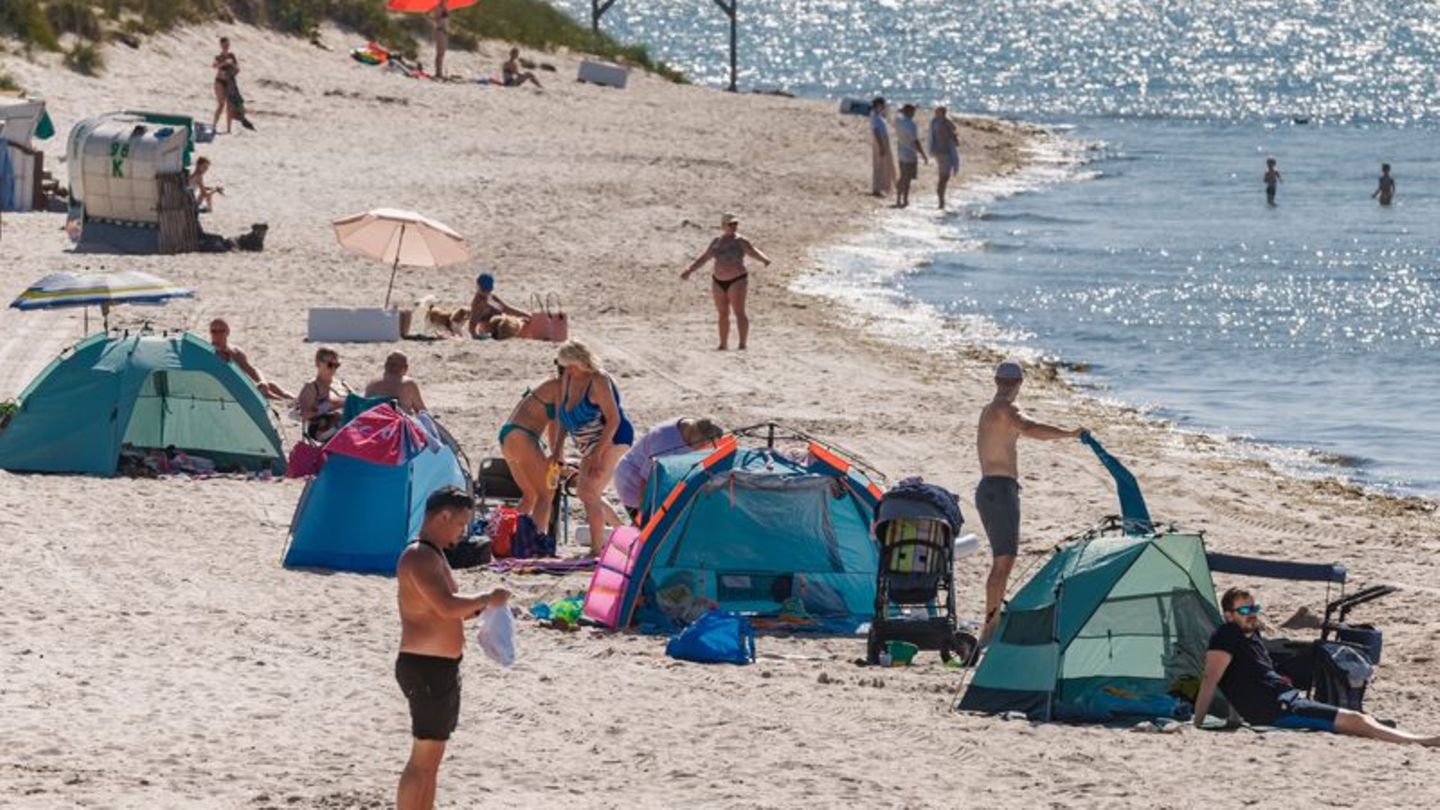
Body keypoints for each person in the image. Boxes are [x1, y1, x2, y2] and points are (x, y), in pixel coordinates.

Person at [1193, 587, 1440, 745]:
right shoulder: (1226, 635)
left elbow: (1244, 678)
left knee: (1356, 718)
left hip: (1285, 698)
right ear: (1228, 615)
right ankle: (1423, 741)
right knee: (1355, 719)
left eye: (1254, 608)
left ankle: (1383, 729)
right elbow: (1210, 678)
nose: (1252, 614)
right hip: (1277, 709)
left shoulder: (1251, 636)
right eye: (1244, 610)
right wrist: (1198, 723)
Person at [395, 486, 511, 810]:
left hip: (440, 666)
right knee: (422, 759)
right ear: (443, 516)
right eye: (460, 523)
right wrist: (487, 598)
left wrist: (479, 608)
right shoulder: (418, 556)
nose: (462, 532)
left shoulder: (433, 555)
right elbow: (445, 607)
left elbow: (447, 610)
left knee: (432, 760)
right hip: (425, 665)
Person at [976, 360, 1085, 644]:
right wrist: (1069, 434)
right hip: (999, 491)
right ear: (1019, 383)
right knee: (1003, 561)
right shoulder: (1006, 409)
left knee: (1004, 559)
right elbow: (1031, 428)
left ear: (997, 380)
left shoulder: (990, 409)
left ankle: (993, 619)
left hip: (992, 489)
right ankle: (990, 626)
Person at [548, 342, 633, 556]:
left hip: (613, 438)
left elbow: (613, 420)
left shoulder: (599, 380)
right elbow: (564, 418)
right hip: (588, 443)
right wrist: (557, 450)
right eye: (564, 366)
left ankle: (597, 550)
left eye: (570, 366)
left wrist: (597, 456)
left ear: (582, 363)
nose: (567, 371)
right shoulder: (568, 379)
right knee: (586, 492)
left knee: (589, 492)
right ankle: (626, 536)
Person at [680, 213, 772, 351]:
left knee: (739, 312)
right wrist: (689, 270)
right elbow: (704, 258)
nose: (734, 226)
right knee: (722, 313)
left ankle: (742, 344)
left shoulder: (740, 240)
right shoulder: (717, 241)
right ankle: (723, 344)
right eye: (730, 224)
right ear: (723, 226)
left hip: (737, 279)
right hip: (718, 281)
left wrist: (764, 259)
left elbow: (753, 251)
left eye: (736, 224)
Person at [613, 417, 724, 522]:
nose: (703, 447)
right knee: (646, 529)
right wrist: (645, 517)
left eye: (708, 444)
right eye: (702, 442)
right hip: (633, 483)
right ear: (693, 431)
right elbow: (646, 482)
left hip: (658, 483)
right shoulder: (664, 442)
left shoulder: (694, 432)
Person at [498, 377, 561, 542]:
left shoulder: (546, 384)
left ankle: (505, 538)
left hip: (509, 434)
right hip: (522, 435)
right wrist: (557, 454)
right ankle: (535, 542)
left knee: (530, 495)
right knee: (546, 494)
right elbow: (555, 426)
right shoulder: (560, 387)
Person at [207, 318, 291, 400]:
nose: (217, 334)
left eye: (221, 331)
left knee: (271, 385)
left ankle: (295, 400)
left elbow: (251, 370)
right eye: (214, 331)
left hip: (242, 388)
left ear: (228, 332)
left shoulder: (235, 352)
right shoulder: (208, 352)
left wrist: (262, 381)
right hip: (224, 391)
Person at [296, 347, 346, 442]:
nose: (334, 369)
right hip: (321, 427)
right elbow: (304, 414)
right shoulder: (312, 387)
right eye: (330, 365)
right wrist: (327, 408)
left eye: (337, 365)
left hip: (342, 421)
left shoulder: (340, 383)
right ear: (318, 364)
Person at [467, 273, 527, 338]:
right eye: (484, 290)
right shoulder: (478, 303)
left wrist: (524, 314)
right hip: (492, 330)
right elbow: (472, 324)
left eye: (488, 290)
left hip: (499, 326)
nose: (486, 293)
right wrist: (477, 336)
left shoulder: (490, 297)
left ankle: (519, 322)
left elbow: (506, 308)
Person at [894, 103, 927, 209]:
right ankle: (905, 199)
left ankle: (898, 197)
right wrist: (923, 154)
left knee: (902, 176)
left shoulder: (899, 122)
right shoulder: (911, 124)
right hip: (910, 154)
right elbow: (915, 141)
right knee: (907, 179)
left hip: (901, 152)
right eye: (913, 111)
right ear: (909, 112)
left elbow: (895, 115)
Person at [929, 105, 960, 209]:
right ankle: (941, 201)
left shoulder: (935, 122)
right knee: (944, 177)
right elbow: (952, 132)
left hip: (940, 152)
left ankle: (941, 200)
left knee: (943, 177)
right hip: (943, 152)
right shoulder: (942, 122)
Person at [211, 37, 239, 134]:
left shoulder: (232, 56)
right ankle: (213, 126)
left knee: (230, 105)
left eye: (227, 45)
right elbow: (214, 66)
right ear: (221, 46)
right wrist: (224, 63)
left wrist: (233, 65)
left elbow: (238, 69)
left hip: (229, 81)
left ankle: (228, 129)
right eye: (224, 45)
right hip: (219, 81)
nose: (226, 47)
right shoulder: (218, 57)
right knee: (221, 104)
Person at [869, 97, 896, 197]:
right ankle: (878, 188)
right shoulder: (875, 117)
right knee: (880, 166)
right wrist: (881, 146)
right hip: (880, 141)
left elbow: (887, 115)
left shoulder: (878, 116)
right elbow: (876, 131)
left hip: (883, 140)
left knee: (884, 165)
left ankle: (883, 187)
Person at [431, 2, 449, 80]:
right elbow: (437, 18)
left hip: (444, 32)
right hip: (440, 31)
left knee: (442, 53)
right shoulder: (437, 7)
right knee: (439, 53)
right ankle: (438, 72)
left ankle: (439, 72)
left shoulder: (444, 6)